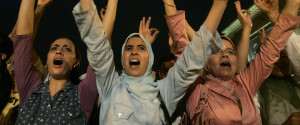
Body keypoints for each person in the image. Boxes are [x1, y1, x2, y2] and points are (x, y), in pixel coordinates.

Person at [73, 0, 225, 123]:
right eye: (129, 48)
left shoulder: (164, 91)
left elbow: (194, 55)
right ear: (121, 56)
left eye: (141, 48)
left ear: (150, 57)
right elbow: (97, 44)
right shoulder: (110, 86)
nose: (134, 51)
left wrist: (219, 5)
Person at [181, 0, 300, 124]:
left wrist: (292, 5)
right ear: (205, 62)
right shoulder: (196, 91)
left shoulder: (245, 85)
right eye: (217, 52)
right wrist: (182, 24)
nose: (225, 54)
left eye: (230, 52)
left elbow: (273, 45)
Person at [13, 0, 97, 124]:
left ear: (76, 62)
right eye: (54, 48)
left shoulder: (83, 94)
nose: (59, 51)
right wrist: (38, 7)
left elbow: (99, 49)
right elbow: (22, 41)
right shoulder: (30, 88)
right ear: (47, 59)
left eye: (67, 49)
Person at [254, 0, 300, 124]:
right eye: (274, 56)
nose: (278, 61)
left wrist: (276, 19)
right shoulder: (256, 91)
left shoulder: (296, 87)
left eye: (284, 56)